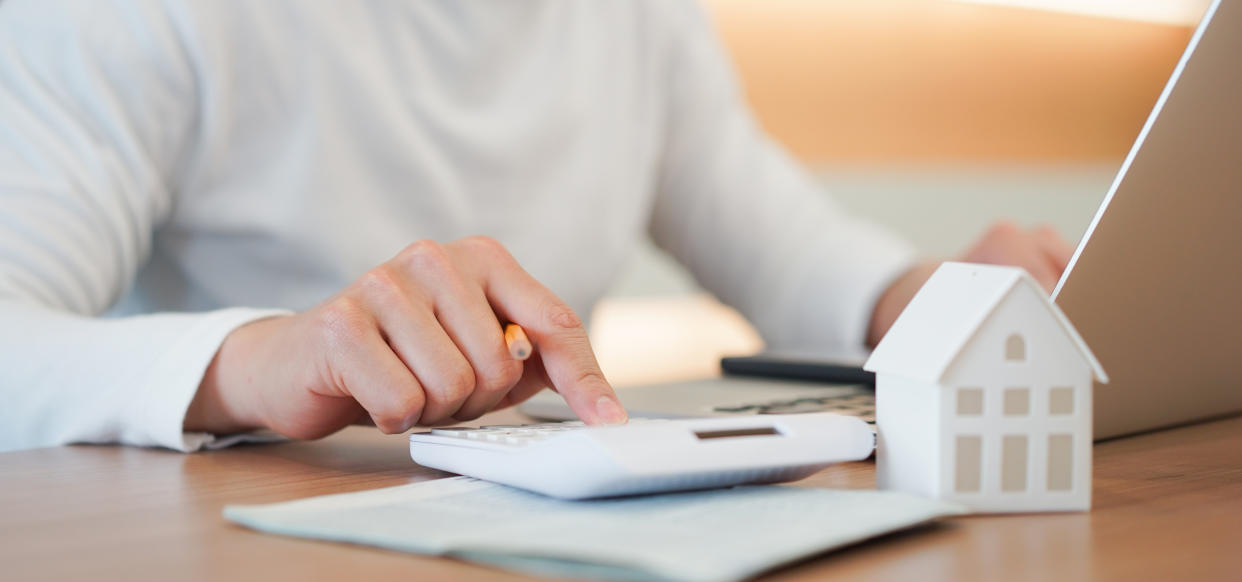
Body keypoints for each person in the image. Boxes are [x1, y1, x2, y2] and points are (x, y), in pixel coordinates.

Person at [0, 1, 1072, 453]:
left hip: (531, 534)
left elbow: (774, 236)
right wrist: (263, 357)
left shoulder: (630, 17)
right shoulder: (132, 19)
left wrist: (930, 300)